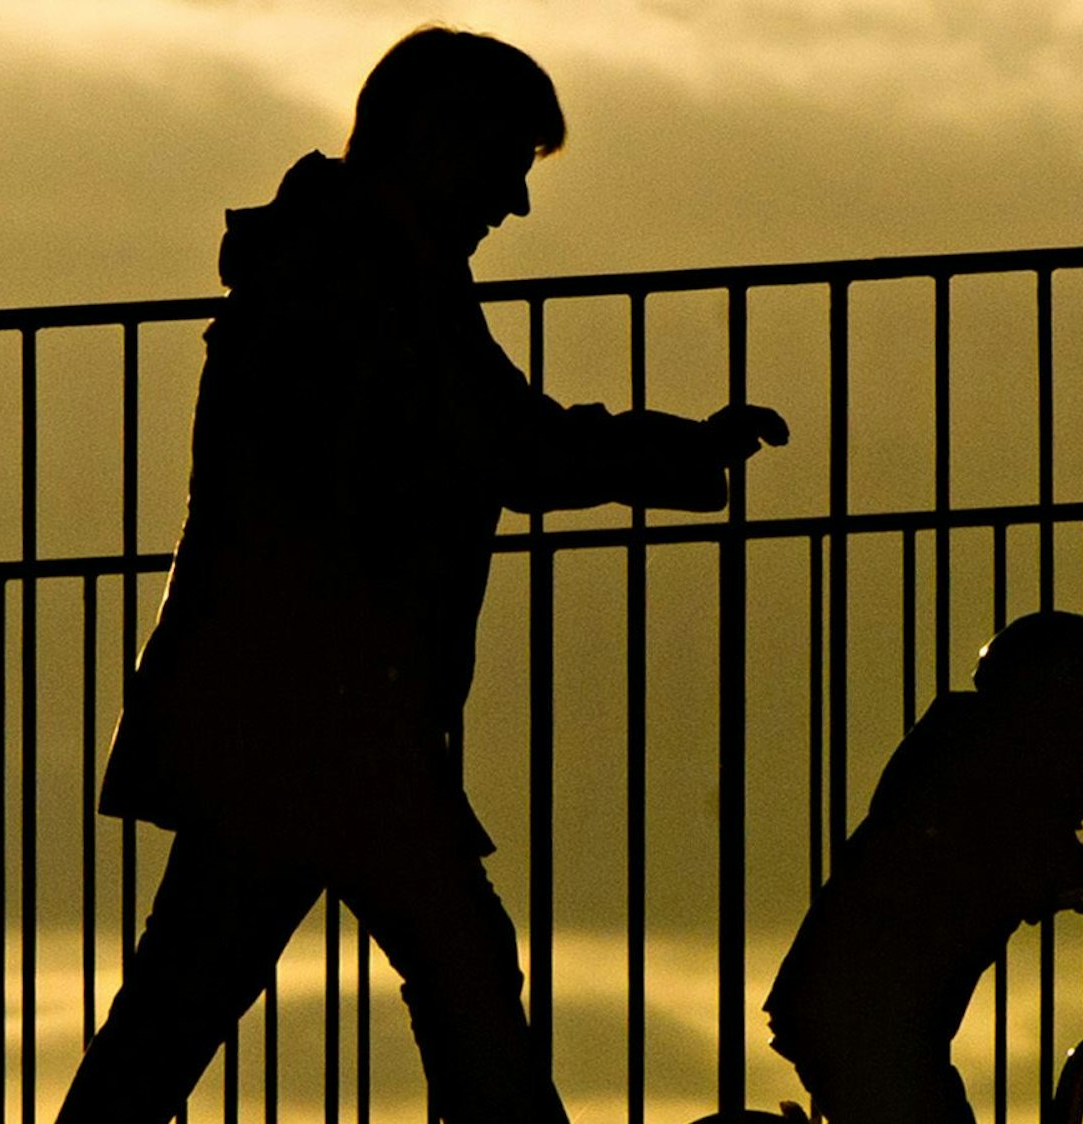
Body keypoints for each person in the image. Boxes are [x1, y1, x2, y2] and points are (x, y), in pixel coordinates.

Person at [55, 26, 788, 1124]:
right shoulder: (369, 277)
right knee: (450, 969)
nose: (516, 207)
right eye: (508, 165)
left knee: (202, 997)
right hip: (322, 711)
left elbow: (493, 441)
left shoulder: (342, 261)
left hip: (299, 709)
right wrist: (681, 451)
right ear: (440, 139)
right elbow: (511, 445)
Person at [761, 611, 1083, 1124]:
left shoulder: (979, 766)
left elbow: (1030, 848)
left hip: (869, 1020)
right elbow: (1021, 848)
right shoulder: (977, 775)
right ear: (1063, 730)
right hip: (859, 1020)